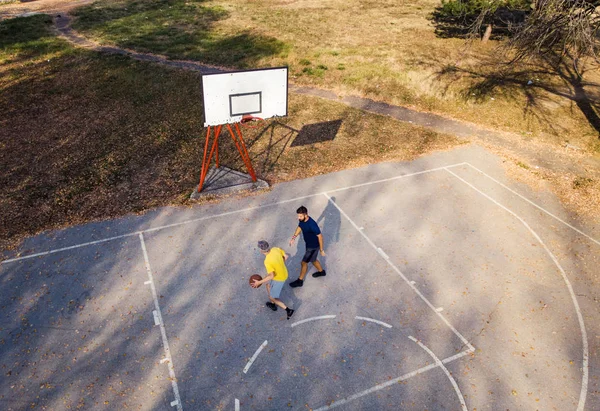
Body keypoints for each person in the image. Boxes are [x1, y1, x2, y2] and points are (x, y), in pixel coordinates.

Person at [252, 240, 295, 319]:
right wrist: (280, 265)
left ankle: (288, 310)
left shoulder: (267, 261)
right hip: (284, 273)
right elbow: (286, 256)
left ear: (261, 251)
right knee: (268, 285)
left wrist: (259, 282)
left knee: (272, 297)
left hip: (279, 279)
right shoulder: (275, 249)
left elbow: (271, 276)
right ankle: (273, 305)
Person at [288, 205, 326, 288]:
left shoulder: (312, 225)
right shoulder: (302, 220)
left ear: (306, 214)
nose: (299, 217)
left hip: (313, 247)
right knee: (313, 260)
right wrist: (293, 237)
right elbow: (300, 227)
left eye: (300, 216)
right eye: (298, 216)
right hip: (308, 244)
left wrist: (321, 250)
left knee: (303, 263)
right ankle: (321, 272)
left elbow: (320, 236)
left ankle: (300, 281)